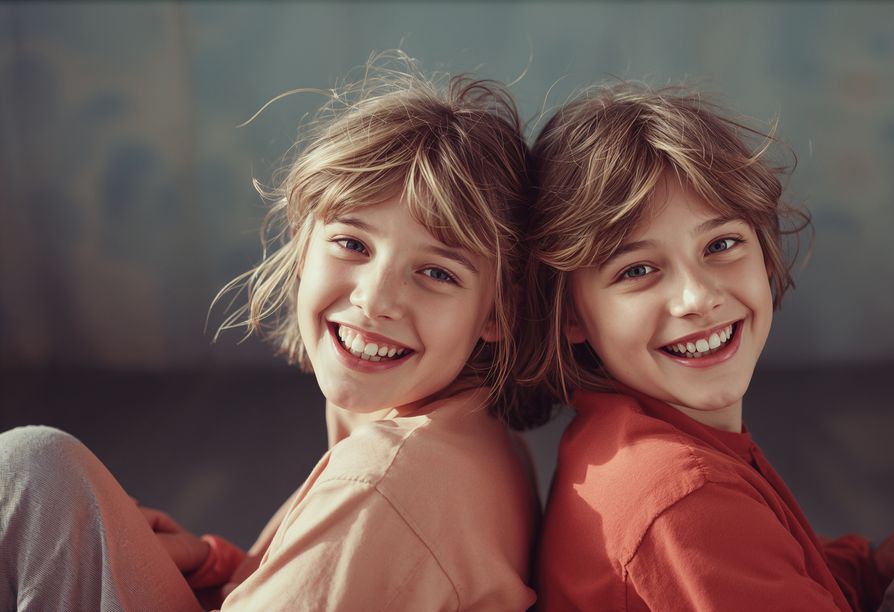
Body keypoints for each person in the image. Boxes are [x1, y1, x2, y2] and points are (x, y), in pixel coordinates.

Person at [0, 54, 542, 611]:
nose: (374, 300)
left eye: (437, 273)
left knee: (29, 471)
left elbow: (377, 537)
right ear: (303, 243)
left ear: (497, 311)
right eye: (352, 243)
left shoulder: (378, 486)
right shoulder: (482, 435)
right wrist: (226, 569)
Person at [521, 82, 894, 611]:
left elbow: (803, 573)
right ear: (570, 315)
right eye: (638, 270)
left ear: (764, 255)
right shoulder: (678, 500)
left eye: (721, 244)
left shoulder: (644, 436)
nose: (697, 297)